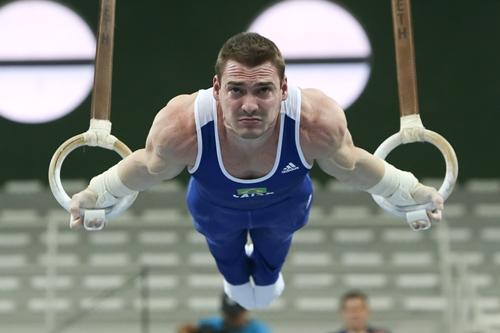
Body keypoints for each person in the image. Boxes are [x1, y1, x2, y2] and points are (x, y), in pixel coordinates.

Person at [69, 32, 444, 310]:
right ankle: (238, 282)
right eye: (236, 91)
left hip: (284, 208)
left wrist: (411, 190)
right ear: (217, 88)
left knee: (264, 284)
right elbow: (143, 168)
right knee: (233, 272)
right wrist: (95, 193)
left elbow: (355, 166)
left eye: (263, 90)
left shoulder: (314, 122)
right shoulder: (183, 127)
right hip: (215, 210)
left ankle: (262, 283)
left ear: (283, 89)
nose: (249, 105)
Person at [177, 293, 271, 333]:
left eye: (235, 315)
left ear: (245, 310)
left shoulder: (258, 330)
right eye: (229, 314)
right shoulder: (211, 325)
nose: (231, 318)